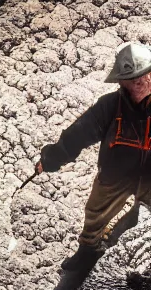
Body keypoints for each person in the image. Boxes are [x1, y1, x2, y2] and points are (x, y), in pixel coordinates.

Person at [35, 42, 151, 271]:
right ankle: (88, 253)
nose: (141, 82)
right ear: (121, 82)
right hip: (115, 174)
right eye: (134, 79)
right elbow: (78, 134)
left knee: (144, 216)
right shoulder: (109, 106)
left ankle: (129, 236)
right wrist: (51, 159)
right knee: (95, 213)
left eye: (145, 75)